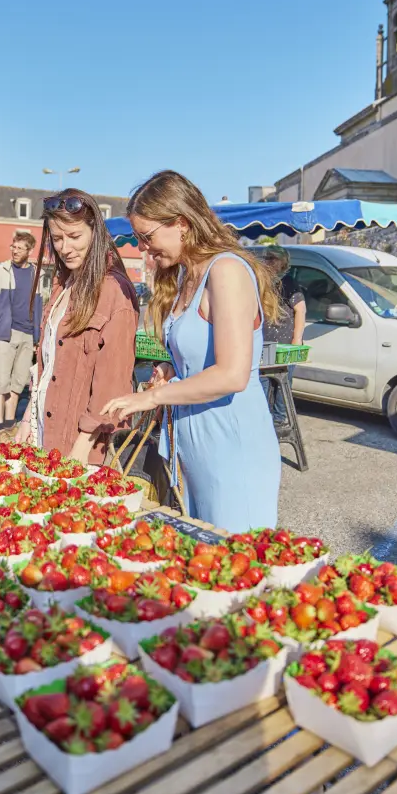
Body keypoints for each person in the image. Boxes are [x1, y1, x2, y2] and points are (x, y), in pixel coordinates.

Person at [101, 169, 282, 534]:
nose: (142, 248)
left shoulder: (227, 270)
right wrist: (170, 367)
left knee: (235, 570)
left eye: (146, 236)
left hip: (233, 450)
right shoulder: (187, 277)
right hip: (197, 448)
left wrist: (153, 397)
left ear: (181, 223)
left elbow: (232, 374)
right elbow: (197, 358)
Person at [14, 189, 138, 466]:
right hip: (46, 433)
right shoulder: (63, 284)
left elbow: (113, 384)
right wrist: (27, 419)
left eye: (74, 237)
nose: (64, 248)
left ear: (95, 234)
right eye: (57, 239)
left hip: (84, 446)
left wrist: (84, 442)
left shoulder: (113, 290)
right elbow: (47, 366)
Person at [0, 231, 43, 437]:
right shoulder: (2, 271)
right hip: (5, 334)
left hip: (27, 336)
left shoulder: (35, 273)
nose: (15, 251)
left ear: (29, 250)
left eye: (19, 248)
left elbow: (38, 308)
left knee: (18, 384)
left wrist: (37, 338)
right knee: (0, 383)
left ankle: (10, 424)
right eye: (13, 247)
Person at [260, 246, 306, 425]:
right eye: (267, 258)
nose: (268, 262)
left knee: (282, 383)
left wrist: (297, 340)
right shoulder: (263, 282)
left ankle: (279, 420)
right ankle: (262, 418)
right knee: (262, 381)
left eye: (272, 258)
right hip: (265, 343)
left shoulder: (288, 282)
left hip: (285, 343)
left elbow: (301, 310)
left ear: (282, 263)